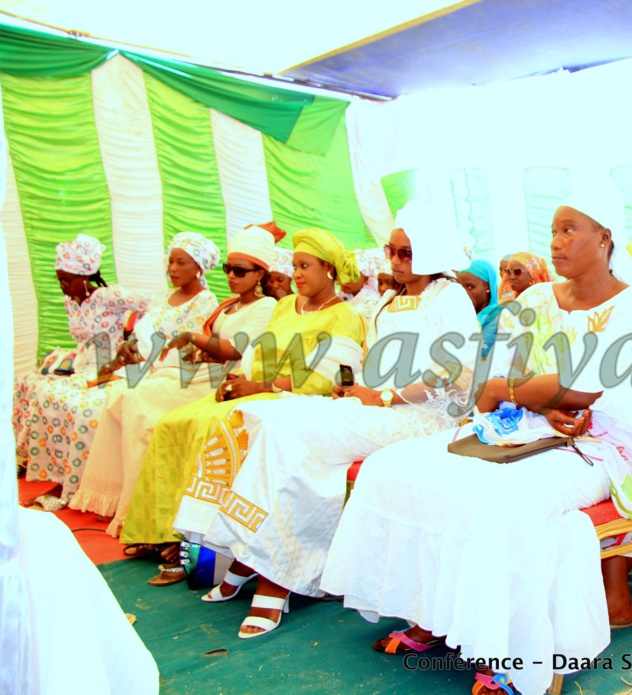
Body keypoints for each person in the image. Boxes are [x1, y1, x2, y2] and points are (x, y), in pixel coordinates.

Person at [320, 192, 632, 695]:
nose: (556, 241)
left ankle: (508, 651)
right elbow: (500, 383)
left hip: (596, 443)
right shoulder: (533, 300)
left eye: (570, 229)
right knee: (393, 467)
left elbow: (581, 388)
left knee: (502, 503)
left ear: (605, 237)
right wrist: (534, 398)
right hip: (522, 426)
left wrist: (522, 392)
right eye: (553, 230)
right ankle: (434, 613)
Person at [172, 200, 477, 639]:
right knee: (255, 417)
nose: (395, 260)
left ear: (430, 251)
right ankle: (266, 562)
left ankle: (268, 573)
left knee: (287, 434)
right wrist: (354, 389)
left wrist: (384, 396)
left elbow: (456, 376)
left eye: (406, 253)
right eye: (391, 251)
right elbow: (376, 363)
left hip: (423, 419)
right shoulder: (388, 299)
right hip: (374, 406)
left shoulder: (448, 297)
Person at [118, 229, 366, 554]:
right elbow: (261, 354)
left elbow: (326, 377)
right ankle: (163, 529)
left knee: (212, 428)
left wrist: (259, 386)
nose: (297, 274)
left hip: (298, 400)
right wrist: (238, 380)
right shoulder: (286, 305)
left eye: (305, 266)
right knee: (174, 422)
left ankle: (198, 545)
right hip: (258, 389)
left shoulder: (344, 315)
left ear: (329, 269)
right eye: (295, 265)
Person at [69, 226, 280, 536]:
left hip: (220, 381)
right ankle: (116, 499)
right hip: (198, 373)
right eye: (228, 269)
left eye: (239, 270)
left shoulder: (265, 306)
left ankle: (135, 511)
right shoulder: (227, 306)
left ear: (260, 274)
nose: (231, 276)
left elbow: (235, 348)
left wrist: (193, 339)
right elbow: (206, 344)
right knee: (120, 398)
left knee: (138, 404)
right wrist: (195, 348)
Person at [18, 233, 219, 505]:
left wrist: (140, 362)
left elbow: (184, 352)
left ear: (199, 267)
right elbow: (141, 336)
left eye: (181, 263)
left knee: (86, 409)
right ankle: (62, 479)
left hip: (162, 377)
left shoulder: (204, 302)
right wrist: (126, 347)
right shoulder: (163, 297)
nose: (172, 268)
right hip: (130, 368)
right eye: (170, 261)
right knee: (55, 396)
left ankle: (73, 490)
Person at [13, 235, 152, 471]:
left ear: (84, 276)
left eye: (66, 281)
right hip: (81, 364)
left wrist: (137, 339)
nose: (62, 287)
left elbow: (154, 305)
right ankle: (28, 456)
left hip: (108, 366)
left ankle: (72, 466)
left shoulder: (108, 296)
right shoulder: (71, 301)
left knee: (50, 394)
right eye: (59, 280)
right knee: (23, 383)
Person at [457, 259, 505, 358]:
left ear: (488, 286)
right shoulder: (461, 315)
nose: (464, 293)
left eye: (470, 287)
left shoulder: (497, 316)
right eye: (460, 288)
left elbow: (481, 351)